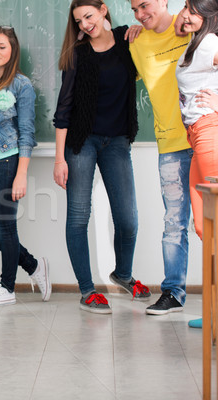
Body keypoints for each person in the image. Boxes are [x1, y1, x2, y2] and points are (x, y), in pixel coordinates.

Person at [53, 0, 151, 314]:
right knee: (79, 218)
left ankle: (122, 274)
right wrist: (59, 158)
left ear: (104, 10)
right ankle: (87, 291)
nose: (84, 24)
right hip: (82, 143)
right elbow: (63, 111)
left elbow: (157, 47)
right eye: (79, 20)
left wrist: (141, 28)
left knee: (128, 220)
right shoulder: (77, 55)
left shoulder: (127, 40)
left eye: (89, 16)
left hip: (118, 142)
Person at [0, 26, 51, 306]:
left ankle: (7, 288)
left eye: (1, 47)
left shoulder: (21, 85)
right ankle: (33, 266)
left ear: (12, 49)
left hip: (7, 161)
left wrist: (21, 174)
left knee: (5, 227)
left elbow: (27, 131)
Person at [129, 0, 194, 316]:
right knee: (174, 223)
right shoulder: (137, 43)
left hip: (208, 139)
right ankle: (174, 293)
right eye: (134, 10)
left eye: (144, 5)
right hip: (170, 145)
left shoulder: (193, 28)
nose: (140, 14)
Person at [175, 0, 218, 328]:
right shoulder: (197, 42)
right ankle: (214, 312)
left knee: (214, 224)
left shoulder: (211, 43)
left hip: (210, 132)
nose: (184, 14)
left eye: (191, 9)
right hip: (196, 134)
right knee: (205, 225)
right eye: (185, 8)